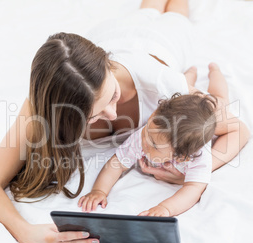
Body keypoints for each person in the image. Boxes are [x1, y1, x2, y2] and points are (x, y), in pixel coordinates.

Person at [0, 0, 250, 243]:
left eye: (114, 95)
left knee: (174, 15)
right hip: (114, 33)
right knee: (147, 10)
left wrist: (192, 174)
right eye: (94, 116)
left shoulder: (165, 85)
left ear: (108, 64)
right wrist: (26, 234)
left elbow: (239, 129)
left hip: (161, 41)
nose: (114, 114)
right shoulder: (42, 108)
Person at [78, 63, 225, 217]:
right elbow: (116, 164)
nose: (144, 141)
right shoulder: (146, 135)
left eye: (154, 144)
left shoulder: (198, 157)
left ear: (182, 157)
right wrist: (99, 190)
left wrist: (165, 208)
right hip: (188, 108)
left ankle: (215, 71)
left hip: (207, 118)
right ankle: (190, 74)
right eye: (147, 128)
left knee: (218, 98)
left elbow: (193, 189)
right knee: (185, 88)